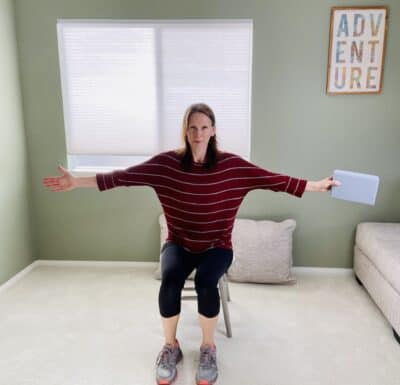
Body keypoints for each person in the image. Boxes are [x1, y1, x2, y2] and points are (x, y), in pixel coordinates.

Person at [43, 103, 340, 385]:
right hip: (179, 244)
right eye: (193, 127)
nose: (198, 134)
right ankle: (171, 346)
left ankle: (208, 349)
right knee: (170, 279)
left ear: (213, 130)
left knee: (206, 282)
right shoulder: (166, 164)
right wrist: (76, 182)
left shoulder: (232, 166)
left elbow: (275, 180)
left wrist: (317, 185)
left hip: (217, 246)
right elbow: (123, 177)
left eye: (204, 127)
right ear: (185, 130)